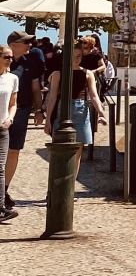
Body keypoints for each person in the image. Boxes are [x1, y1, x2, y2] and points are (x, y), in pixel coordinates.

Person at [43, 43, 105, 179]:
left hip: (81, 111)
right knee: (59, 150)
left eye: (79, 56)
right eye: (73, 56)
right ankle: (55, 186)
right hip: (63, 110)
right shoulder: (58, 74)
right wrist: (47, 120)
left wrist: (101, 113)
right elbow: (52, 97)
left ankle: (71, 185)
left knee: (77, 152)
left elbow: (94, 96)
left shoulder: (87, 74)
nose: (77, 59)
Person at [5, 31, 44, 213]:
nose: (30, 45)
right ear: (13, 45)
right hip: (1, 112)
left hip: (21, 111)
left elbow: (35, 88)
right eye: (25, 42)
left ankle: (3, 190)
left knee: (14, 152)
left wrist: (39, 109)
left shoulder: (31, 63)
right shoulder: (3, 61)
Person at [0, 48, 18, 222]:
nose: (10, 60)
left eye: (11, 57)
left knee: (0, 168)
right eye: (6, 57)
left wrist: (10, 119)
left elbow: (13, 103)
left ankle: (0, 209)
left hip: (2, 129)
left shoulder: (12, 79)